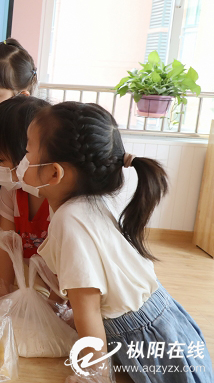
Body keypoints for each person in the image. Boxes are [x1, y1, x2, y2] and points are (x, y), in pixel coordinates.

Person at [24, 101, 212, 382]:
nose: (21, 160)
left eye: (27, 151)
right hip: (164, 322)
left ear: (54, 172)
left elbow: (89, 317)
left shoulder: (70, 220)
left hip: (144, 345)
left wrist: (93, 376)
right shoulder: (94, 199)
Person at [0, 95, 52, 298]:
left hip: (71, 291)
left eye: (1, 159)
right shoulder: (11, 189)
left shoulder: (58, 199)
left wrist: (57, 305)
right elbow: (6, 244)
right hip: (39, 284)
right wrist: (2, 296)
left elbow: (70, 265)